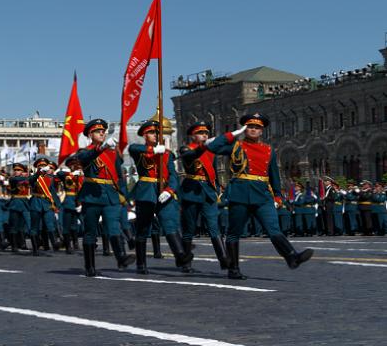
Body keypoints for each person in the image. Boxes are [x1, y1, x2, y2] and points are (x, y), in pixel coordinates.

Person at [205, 113, 313, 279]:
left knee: (273, 228)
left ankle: (292, 257)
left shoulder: (269, 150)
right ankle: (233, 269)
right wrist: (232, 134)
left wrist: (278, 195)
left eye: (257, 127)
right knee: (234, 232)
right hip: (240, 193)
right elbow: (211, 148)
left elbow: (274, 175)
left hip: (262, 195)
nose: (253, 130)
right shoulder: (235, 145)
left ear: (262, 131)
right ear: (245, 129)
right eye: (250, 127)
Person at [129, 120, 190, 274]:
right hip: (146, 192)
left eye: (157, 132)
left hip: (163, 191)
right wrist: (153, 150)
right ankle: (141, 264)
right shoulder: (140, 150)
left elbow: (173, 175)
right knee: (143, 228)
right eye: (151, 132)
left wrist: (169, 190)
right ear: (144, 134)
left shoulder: (167, 154)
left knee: (170, 224)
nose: (155, 135)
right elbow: (132, 148)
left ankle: (182, 258)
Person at [75, 119, 135, 276]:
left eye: (103, 131)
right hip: (91, 195)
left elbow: (118, 175)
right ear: (90, 134)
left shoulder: (112, 152)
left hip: (110, 195)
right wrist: (101, 148)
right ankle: (90, 266)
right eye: (97, 131)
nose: (102, 133)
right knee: (90, 232)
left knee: (114, 226)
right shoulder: (84, 151)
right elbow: (84, 158)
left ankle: (121, 257)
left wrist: (123, 195)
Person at [178, 121, 228, 272]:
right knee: (189, 229)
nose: (205, 135)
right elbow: (191, 156)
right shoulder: (186, 148)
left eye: (206, 133)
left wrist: (218, 188)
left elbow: (213, 172)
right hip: (191, 191)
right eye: (201, 133)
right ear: (192, 135)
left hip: (207, 191)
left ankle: (224, 260)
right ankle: (186, 262)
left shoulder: (211, 152)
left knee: (214, 227)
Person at [28, 158, 61, 255]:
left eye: (44, 165)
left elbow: (53, 192)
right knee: (35, 227)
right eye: (40, 166)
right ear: (37, 167)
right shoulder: (34, 177)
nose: (42, 167)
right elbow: (30, 181)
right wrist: (38, 173)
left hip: (47, 203)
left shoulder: (50, 178)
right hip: (36, 202)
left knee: (50, 224)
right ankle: (35, 249)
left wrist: (57, 205)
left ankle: (54, 243)